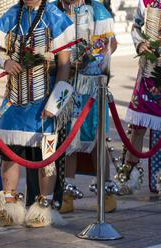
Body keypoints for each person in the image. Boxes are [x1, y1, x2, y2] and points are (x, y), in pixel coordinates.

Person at [0, 0, 75, 228]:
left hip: (44, 98)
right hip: (15, 97)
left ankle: (42, 208)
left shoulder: (54, 17)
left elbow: (64, 65)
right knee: (9, 153)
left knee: (45, 157)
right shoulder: (12, 14)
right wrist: (6, 61)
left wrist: (55, 102)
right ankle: (9, 206)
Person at [54, 0, 118, 214]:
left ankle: (106, 190)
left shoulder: (98, 10)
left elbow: (110, 44)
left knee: (97, 139)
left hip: (92, 84)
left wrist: (92, 58)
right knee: (69, 140)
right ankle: (67, 192)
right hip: (65, 83)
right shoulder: (55, 8)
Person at [117, 0, 161, 195]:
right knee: (137, 127)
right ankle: (128, 176)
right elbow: (136, 25)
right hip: (149, 72)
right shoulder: (146, 2)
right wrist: (139, 43)